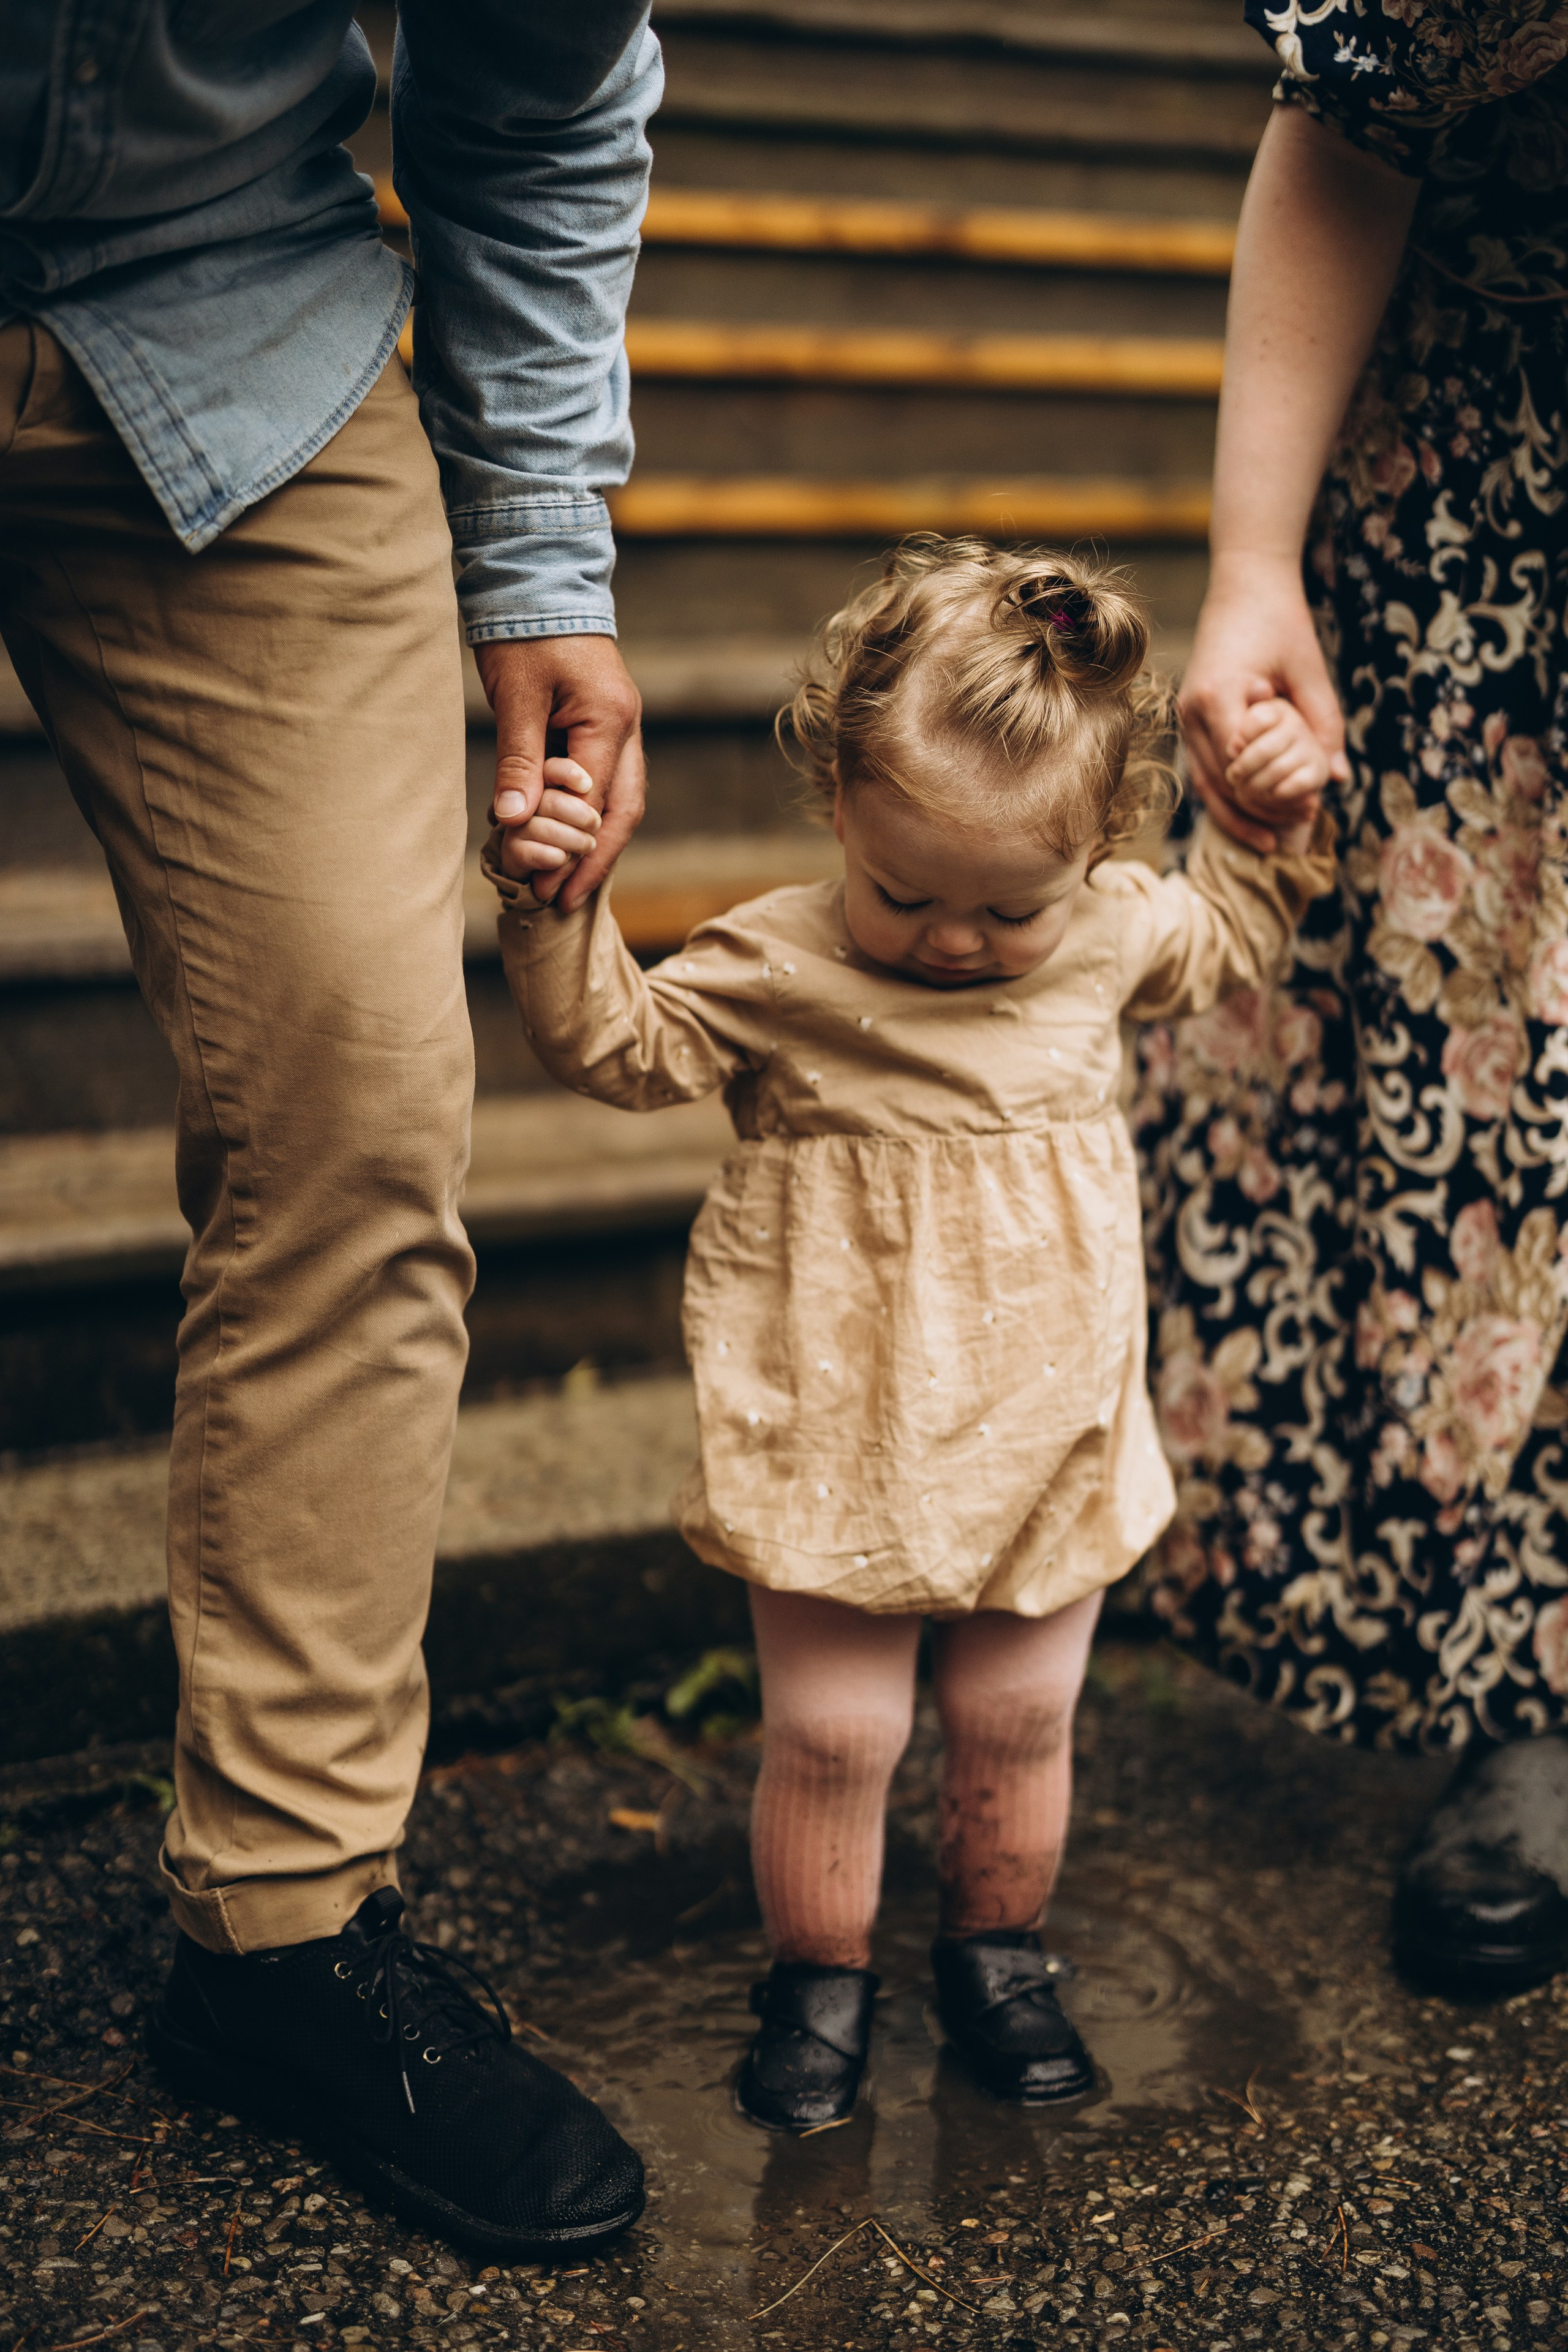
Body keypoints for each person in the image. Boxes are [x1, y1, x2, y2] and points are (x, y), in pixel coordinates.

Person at [1, 1, 657, 2256]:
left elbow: (545, 71)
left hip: (238, 315)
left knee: (361, 1109)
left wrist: (543, 553)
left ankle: (283, 1936)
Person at [489, 537, 1335, 2129]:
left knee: (1018, 1714)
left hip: (1049, 1409)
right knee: (837, 1727)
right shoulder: (778, 962)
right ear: (837, 815)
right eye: (903, 894)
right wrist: (560, 908)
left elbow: (1231, 938)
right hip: (843, 1419)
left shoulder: (1113, 936)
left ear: (1096, 851)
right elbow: (617, 1046)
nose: (952, 941)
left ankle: (998, 1959)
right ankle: (818, 1984)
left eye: (1008, 908)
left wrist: (1269, 825)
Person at [1138, 0, 1568, 1999]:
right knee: (1496, 1111)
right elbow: (1353, 130)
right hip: (1500, 500)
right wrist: (1251, 564)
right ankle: (1529, 1688)